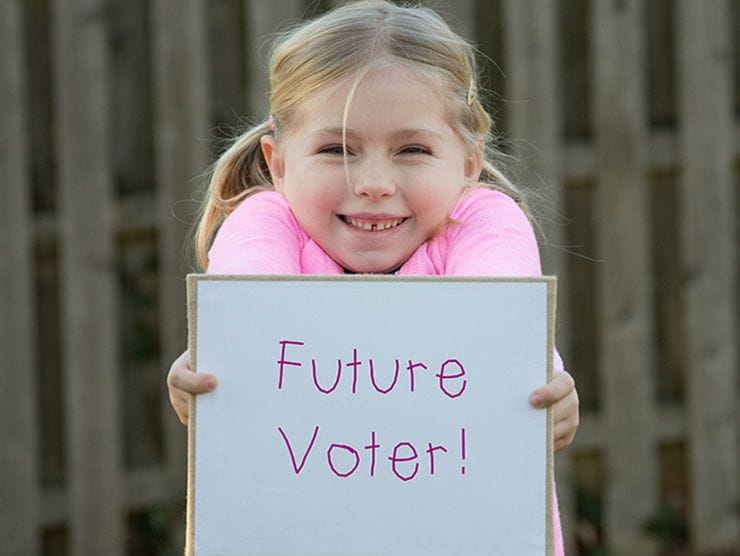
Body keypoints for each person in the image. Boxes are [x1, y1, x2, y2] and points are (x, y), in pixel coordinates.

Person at [167, 1, 578, 552]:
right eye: (337, 149)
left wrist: (546, 386)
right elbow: (246, 332)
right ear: (279, 161)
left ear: (468, 161)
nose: (375, 182)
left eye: (412, 149)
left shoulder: (484, 221)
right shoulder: (263, 224)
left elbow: (501, 331)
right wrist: (206, 380)